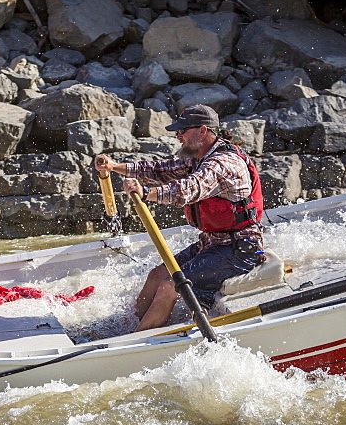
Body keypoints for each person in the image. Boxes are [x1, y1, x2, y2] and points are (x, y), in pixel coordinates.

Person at [95, 104, 266, 332]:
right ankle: (125, 330)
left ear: (202, 131)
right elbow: (160, 170)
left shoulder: (223, 163)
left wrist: (145, 193)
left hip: (239, 250)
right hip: (214, 243)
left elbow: (189, 189)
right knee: (157, 275)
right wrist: (115, 167)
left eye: (182, 131)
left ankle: (137, 340)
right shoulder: (200, 156)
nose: (178, 137)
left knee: (169, 286)